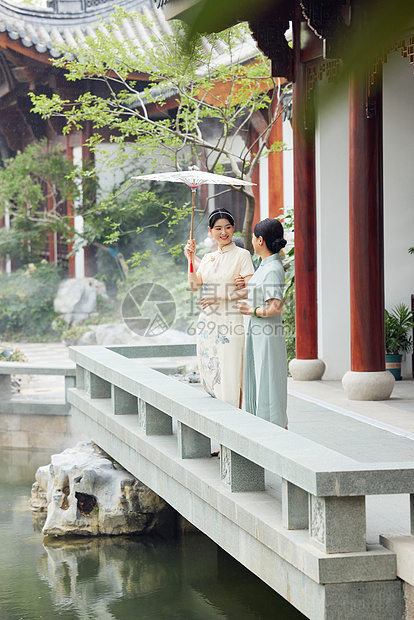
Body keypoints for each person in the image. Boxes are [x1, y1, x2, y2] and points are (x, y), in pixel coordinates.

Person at [185, 208, 254, 408]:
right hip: (208, 321)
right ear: (210, 231)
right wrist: (191, 259)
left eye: (228, 227)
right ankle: (221, 414)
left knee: (231, 368)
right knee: (213, 368)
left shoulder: (242, 255)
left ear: (234, 229)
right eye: (218, 228)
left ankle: (235, 415)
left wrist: (219, 297)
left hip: (231, 319)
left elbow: (249, 291)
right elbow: (194, 286)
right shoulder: (207, 258)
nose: (224, 232)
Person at [237, 218, 288, 428]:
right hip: (258, 332)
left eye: (253, 236)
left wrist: (251, 310)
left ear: (260, 240)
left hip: (267, 334)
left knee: (269, 380)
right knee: (259, 378)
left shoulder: (273, 268)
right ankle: (261, 426)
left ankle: (276, 428)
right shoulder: (265, 266)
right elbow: (260, 289)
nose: (251, 239)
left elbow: (275, 306)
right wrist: (246, 284)